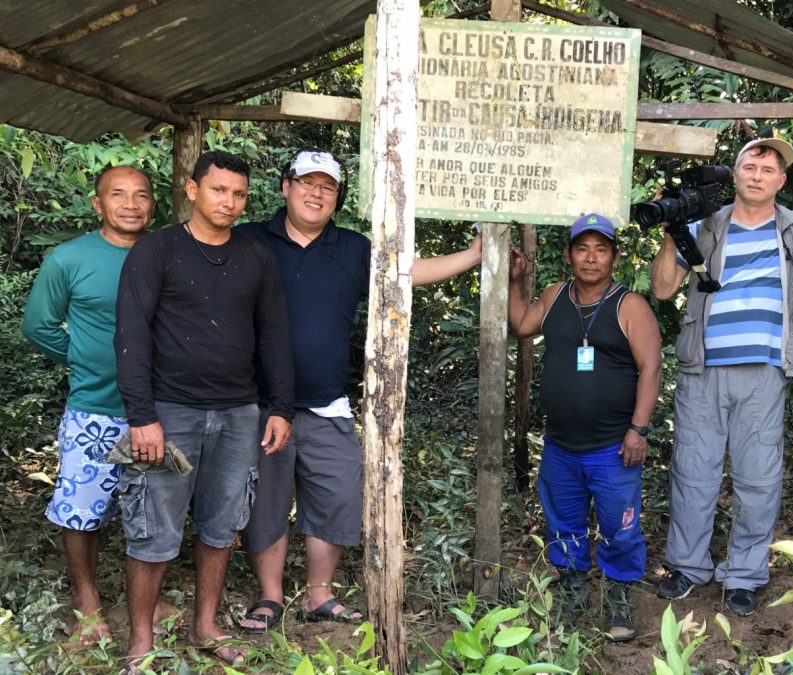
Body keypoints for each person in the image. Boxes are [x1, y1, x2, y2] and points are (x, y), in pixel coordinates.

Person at [236, 149, 482, 632]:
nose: (316, 193)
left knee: (337, 494)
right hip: (262, 403)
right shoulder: (249, 242)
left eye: (327, 187)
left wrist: (475, 255)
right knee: (265, 500)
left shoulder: (352, 248)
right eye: (306, 182)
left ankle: (319, 594)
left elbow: (406, 272)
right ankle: (269, 596)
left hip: (327, 402)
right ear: (285, 188)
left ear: (338, 199)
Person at [114, 150, 294, 668]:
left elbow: (275, 335)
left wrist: (279, 406)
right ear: (192, 190)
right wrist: (142, 416)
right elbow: (131, 335)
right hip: (169, 414)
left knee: (221, 523)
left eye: (239, 194)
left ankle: (206, 626)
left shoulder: (256, 257)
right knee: (152, 523)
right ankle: (141, 640)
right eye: (219, 190)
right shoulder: (156, 251)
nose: (230, 203)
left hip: (239, 414)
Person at [651, 138, 793, 616]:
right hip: (703, 368)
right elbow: (663, 288)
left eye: (768, 169)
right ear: (735, 174)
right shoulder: (705, 224)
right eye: (749, 166)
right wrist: (672, 230)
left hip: (766, 370)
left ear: (781, 181)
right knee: (693, 469)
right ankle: (687, 566)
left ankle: (745, 575)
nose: (757, 175)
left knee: (759, 477)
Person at [22, 166, 178, 644]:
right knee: (81, 510)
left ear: (154, 205)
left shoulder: (170, 252)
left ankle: (150, 600)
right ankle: (87, 601)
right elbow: (38, 326)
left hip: (162, 409)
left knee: (157, 507)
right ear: (97, 203)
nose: (131, 204)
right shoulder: (69, 259)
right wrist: (87, 358)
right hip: (96, 409)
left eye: (142, 195)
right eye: (118, 194)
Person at [508, 213, 660, 641]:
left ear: (614, 256)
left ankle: (618, 599)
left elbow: (651, 369)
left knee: (620, 527)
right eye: (582, 248)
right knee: (564, 524)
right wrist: (517, 282)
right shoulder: (556, 295)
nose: (591, 258)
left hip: (613, 447)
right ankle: (573, 593)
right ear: (569, 254)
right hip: (560, 446)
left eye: (601, 249)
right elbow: (521, 326)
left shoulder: (630, 305)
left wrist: (638, 430)